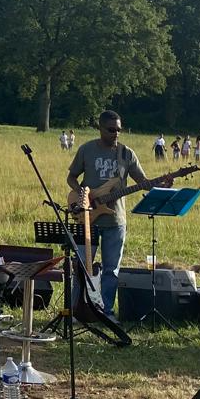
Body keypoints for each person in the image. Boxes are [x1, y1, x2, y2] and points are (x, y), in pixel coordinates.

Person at [67, 110, 167, 317]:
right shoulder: (86, 150)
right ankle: (77, 310)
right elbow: (72, 177)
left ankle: (106, 310)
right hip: (88, 218)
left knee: (111, 270)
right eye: (111, 130)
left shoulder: (126, 153)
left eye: (119, 130)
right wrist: (82, 195)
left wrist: (162, 184)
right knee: (81, 269)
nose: (116, 134)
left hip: (116, 221)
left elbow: (143, 182)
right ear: (100, 128)